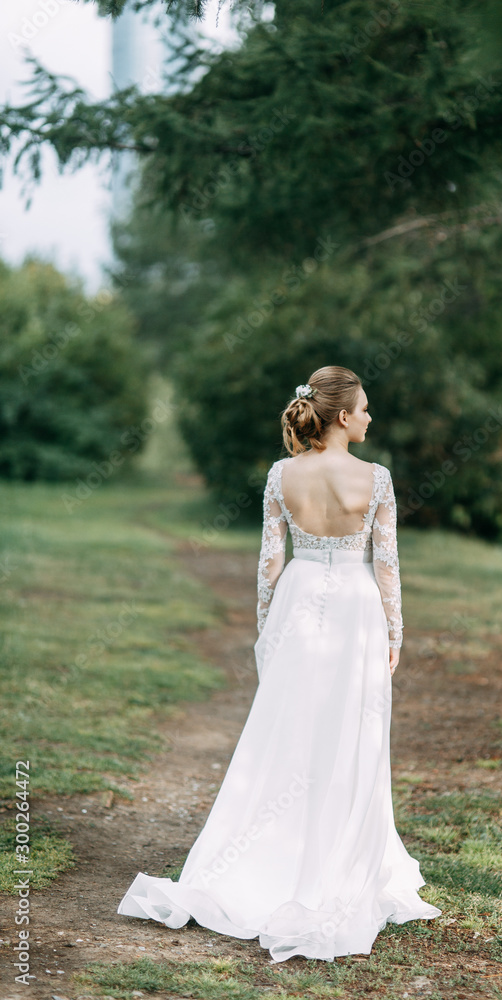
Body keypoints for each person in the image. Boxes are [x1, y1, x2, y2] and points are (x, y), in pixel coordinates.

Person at [117, 365, 441, 962]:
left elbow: (269, 561)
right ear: (342, 416)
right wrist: (396, 630)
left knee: (288, 730)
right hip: (356, 609)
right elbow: (387, 563)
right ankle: (335, 857)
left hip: (298, 603)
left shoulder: (280, 475)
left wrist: (267, 629)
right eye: (364, 408)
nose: (370, 417)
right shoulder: (376, 479)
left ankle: (263, 855)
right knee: (354, 731)